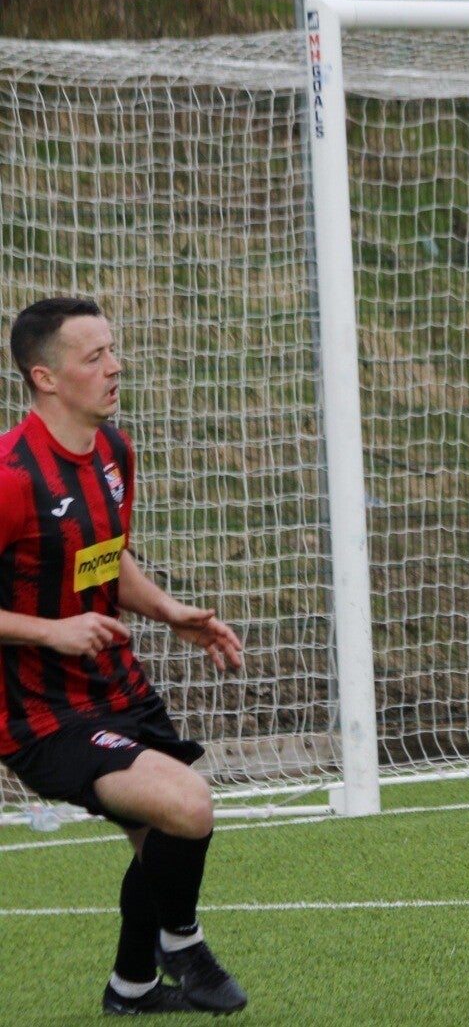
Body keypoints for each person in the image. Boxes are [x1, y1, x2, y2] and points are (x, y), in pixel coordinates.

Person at [0, 297, 249, 1015]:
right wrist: (50, 632)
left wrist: (170, 611)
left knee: (161, 843)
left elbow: (104, 555)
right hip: (40, 713)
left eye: (113, 350)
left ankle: (131, 987)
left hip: (116, 685)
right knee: (187, 805)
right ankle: (183, 941)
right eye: (95, 357)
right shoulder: (11, 476)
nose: (116, 367)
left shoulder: (114, 451)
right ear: (45, 378)